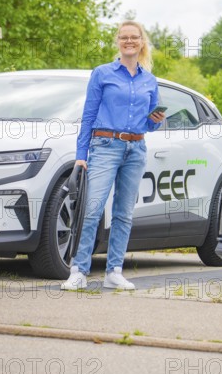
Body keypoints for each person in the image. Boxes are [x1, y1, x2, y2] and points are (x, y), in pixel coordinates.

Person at [61, 21, 166, 291]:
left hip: (136, 148)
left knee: (124, 214)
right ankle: (79, 270)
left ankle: (114, 271)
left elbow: (150, 123)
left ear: (142, 42)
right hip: (105, 146)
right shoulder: (102, 74)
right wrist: (81, 154)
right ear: (118, 41)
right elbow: (88, 116)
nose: (129, 41)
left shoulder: (149, 80)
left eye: (134, 37)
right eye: (124, 37)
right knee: (93, 208)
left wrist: (157, 119)